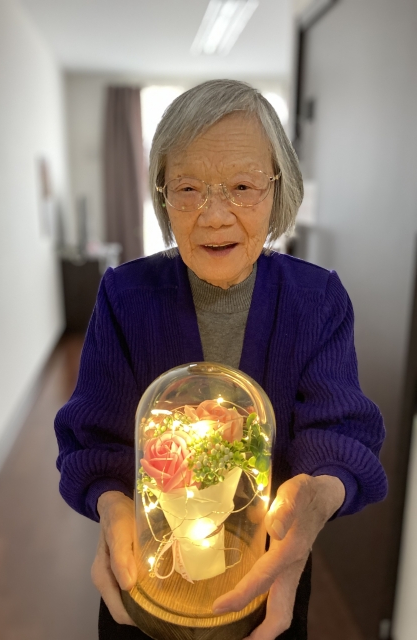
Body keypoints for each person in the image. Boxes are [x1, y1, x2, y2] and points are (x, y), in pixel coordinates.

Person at [54, 79, 387, 640]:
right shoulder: (125, 296)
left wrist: (316, 497)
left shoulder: (316, 299)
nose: (213, 215)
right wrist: (113, 506)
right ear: (162, 196)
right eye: (188, 188)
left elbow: (339, 431)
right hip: (151, 572)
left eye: (242, 186)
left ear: (278, 190)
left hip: (269, 570)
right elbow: (95, 438)